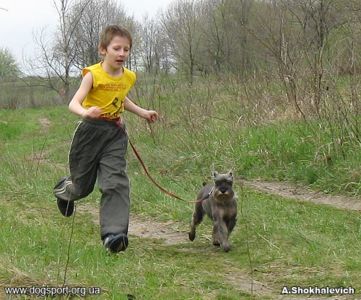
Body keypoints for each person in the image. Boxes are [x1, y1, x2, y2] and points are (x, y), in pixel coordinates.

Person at [53, 25, 158, 253]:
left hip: (114, 134)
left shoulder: (128, 76)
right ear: (103, 50)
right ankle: (64, 190)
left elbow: (121, 99)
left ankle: (114, 234)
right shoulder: (92, 74)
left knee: (115, 180)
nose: (122, 54)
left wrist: (142, 112)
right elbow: (74, 103)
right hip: (89, 133)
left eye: (126, 49)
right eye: (116, 48)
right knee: (82, 187)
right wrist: (85, 112)